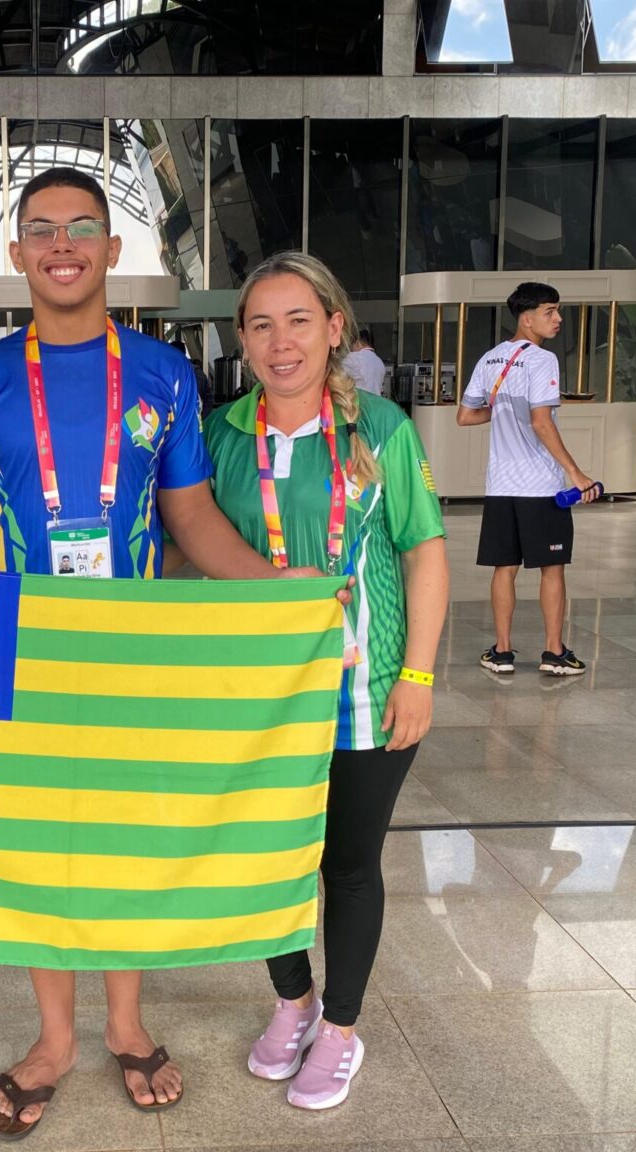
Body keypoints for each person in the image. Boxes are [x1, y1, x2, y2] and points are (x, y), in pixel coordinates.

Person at [0, 167, 328, 1140]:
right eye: (42, 228)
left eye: (84, 226)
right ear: (19, 252)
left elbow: (192, 517)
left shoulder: (162, 372)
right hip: (22, 644)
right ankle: (55, 1039)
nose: (63, 243)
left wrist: (271, 590)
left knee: (126, 833)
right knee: (44, 842)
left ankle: (125, 1024)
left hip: (133, 647)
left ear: (115, 251)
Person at [202, 252, 449, 1110]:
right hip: (264, 697)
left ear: (334, 326)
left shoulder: (380, 427)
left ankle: (340, 1027)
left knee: (347, 864)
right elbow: (190, 548)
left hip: (368, 692)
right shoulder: (220, 436)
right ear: (241, 339)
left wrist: (417, 674)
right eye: (261, 325)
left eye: (299, 320)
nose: (281, 342)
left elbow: (423, 552)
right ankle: (293, 1001)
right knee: (270, 861)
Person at [456, 282, 595, 676]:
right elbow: (541, 421)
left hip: (500, 485)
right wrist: (574, 471)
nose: (558, 319)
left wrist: (501, 410)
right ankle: (554, 654)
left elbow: (465, 415)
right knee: (552, 568)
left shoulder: (489, 359)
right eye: (550, 311)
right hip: (539, 486)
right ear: (526, 317)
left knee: (505, 567)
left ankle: (501, 653)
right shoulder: (541, 360)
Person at [341, 327, 386, 396]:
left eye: (352, 346)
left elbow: (337, 379)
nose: (351, 349)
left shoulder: (352, 358)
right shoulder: (379, 362)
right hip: (376, 403)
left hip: (358, 404)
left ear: (357, 343)